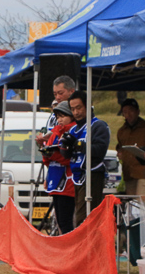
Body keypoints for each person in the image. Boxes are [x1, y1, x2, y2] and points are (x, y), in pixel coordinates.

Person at [61, 90, 111, 226]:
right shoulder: (72, 130)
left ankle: (88, 246)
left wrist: (77, 144)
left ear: (88, 106)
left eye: (79, 108)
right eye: (72, 109)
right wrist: (64, 146)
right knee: (78, 215)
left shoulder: (98, 126)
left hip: (92, 174)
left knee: (85, 219)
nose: (76, 112)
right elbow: (67, 155)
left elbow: (99, 150)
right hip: (77, 177)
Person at [41, 101, 76, 234]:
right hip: (54, 180)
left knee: (66, 221)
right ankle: (65, 248)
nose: (60, 120)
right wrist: (47, 154)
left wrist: (53, 156)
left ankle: (70, 250)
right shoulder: (55, 133)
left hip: (68, 182)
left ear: (71, 116)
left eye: (63, 116)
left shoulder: (74, 131)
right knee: (60, 220)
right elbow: (47, 158)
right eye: (58, 117)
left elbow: (70, 158)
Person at [115, 98, 145, 197]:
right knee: (132, 204)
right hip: (128, 174)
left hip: (144, 174)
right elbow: (119, 147)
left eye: (131, 111)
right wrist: (120, 152)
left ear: (138, 112)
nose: (128, 115)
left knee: (142, 203)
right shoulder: (121, 131)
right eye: (125, 112)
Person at [35, 75, 76, 146]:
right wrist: (41, 141)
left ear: (71, 91)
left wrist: (53, 139)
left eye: (60, 93)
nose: (57, 97)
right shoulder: (53, 113)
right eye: (55, 94)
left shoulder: (76, 113)